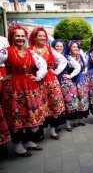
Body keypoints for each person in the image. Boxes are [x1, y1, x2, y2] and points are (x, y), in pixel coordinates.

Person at [0, 25, 47, 157]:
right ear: (12, 37)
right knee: (17, 115)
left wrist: (38, 76)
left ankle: (28, 141)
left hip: (29, 86)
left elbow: (42, 64)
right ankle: (18, 146)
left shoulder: (30, 52)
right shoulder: (6, 51)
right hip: (13, 88)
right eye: (17, 36)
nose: (20, 38)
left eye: (22, 36)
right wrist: (2, 77)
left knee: (29, 114)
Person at [28, 26, 66, 140]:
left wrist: (56, 71)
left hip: (50, 80)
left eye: (44, 36)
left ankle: (53, 131)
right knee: (39, 105)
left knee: (52, 103)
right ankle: (40, 132)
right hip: (37, 81)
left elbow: (63, 60)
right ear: (34, 37)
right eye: (40, 36)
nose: (42, 38)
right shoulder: (29, 50)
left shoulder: (50, 49)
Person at [52, 39, 81, 131]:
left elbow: (78, 66)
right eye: (57, 46)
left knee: (69, 103)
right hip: (54, 81)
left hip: (65, 82)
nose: (59, 48)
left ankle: (68, 124)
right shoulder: (50, 57)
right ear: (53, 47)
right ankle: (56, 126)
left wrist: (70, 75)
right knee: (56, 104)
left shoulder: (67, 57)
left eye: (61, 46)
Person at [67, 40, 90, 126]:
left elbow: (86, 67)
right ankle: (75, 119)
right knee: (74, 99)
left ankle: (81, 118)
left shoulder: (81, 57)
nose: (76, 48)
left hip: (81, 79)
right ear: (69, 48)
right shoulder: (68, 58)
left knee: (82, 99)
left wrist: (85, 74)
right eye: (74, 47)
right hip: (72, 80)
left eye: (77, 47)